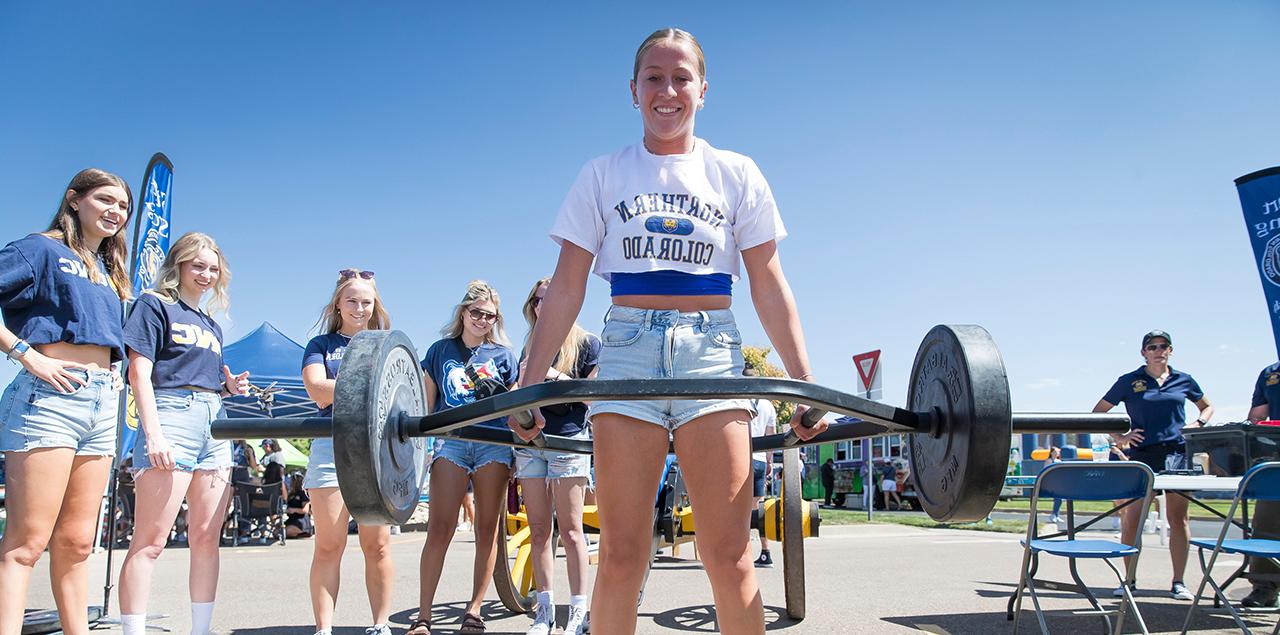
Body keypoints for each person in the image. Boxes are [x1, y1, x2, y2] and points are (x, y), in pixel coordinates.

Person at [513, 28, 828, 634]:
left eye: (681, 77)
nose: (668, 90)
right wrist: (530, 388)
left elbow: (767, 284)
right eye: (654, 78)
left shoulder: (736, 172)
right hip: (628, 354)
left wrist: (803, 385)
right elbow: (568, 286)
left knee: (729, 555)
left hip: (711, 355)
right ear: (633, 92)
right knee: (623, 557)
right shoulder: (602, 175)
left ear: (703, 90)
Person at [0, 169, 133, 635]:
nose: (116, 211)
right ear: (75, 201)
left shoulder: (111, 272)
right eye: (106, 200)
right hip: (49, 396)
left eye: (123, 206)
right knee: (26, 544)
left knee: (77, 543)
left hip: (102, 402)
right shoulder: (40, 248)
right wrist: (26, 356)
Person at [116, 232, 249, 635]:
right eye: (198, 265)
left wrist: (228, 388)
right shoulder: (154, 304)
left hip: (214, 420)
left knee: (207, 539)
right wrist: (152, 433)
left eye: (213, 267)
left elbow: (196, 374)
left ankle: (201, 630)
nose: (206, 274)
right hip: (169, 416)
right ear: (178, 265)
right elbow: (139, 371)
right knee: (150, 542)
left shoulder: (212, 325)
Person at [412, 281, 518, 635]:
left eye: (490, 315)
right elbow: (427, 405)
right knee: (439, 528)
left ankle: (474, 610)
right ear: (463, 312)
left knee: (487, 529)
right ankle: (423, 616)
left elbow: (516, 407)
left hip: (494, 442)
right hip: (452, 442)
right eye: (476, 312)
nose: (483, 320)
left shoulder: (503, 355)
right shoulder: (440, 350)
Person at [301, 269, 396, 635]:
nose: (359, 308)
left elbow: (401, 390)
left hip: (376, 450)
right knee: (328, 545)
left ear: (375, 306)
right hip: (330, 447)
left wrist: (343, 387)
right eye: (352, 300)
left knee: (378, 545)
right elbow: (316, 390)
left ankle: (380, 625)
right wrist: (368, 384)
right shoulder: (321, 346)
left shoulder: (387, 344)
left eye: (366, 301)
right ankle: (324, 629)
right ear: (338, 304)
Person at [1094, 329, 1214, 601]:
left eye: (1163, 346)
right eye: (1152, 347)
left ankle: (1179, 582)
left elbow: (1207, 407)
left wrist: (1198, 424)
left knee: (1177, 518)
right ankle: (1129, 580)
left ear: (1170, 350)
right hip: (1141, 454)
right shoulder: (1129, 381)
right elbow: (1098, 413)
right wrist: (1121, 437)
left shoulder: (1184, 380)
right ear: (1143, 352)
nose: (1158, 350)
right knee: (1132, 518)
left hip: (1176, 454)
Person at [512, 277, 599, 635]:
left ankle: (578, 610)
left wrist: (552, 374)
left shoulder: (588, 343)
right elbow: (519, 390)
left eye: (548, 299)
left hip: (568, 440)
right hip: (531, 442)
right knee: (538, 530)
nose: (541, 307)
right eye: (536, 301)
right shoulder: (529, 343)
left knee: (573, 529)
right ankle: (544, 609)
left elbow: (593, 395)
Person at [1242, 362, 1280, 607]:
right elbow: (1258, 414)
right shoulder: (1270, 373)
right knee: (1267, 521)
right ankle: (1265, 587)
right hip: (1276, 456)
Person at [741, 365, 776, 568]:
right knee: (759, 510)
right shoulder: (768, 405)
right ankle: (765, 552)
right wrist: (770, 461)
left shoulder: (738, 399)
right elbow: (771, 435)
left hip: (742, 456)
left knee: (739, 510)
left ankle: (743, 555)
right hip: (761, 459)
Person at [285, 471, 313, 539]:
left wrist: (294, 510)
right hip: (292, 519)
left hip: (301, 520)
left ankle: (303, 532)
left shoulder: (303, 494)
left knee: (286, 532)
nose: (291, 483)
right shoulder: (291, 494)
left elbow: (305, 510)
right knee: (276, 532)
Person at [1047, 446, 1064, 524]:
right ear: (1051, 453)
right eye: (1055, 452)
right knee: (1057, 498)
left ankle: (1056, 515)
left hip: (1059, 482)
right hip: (1052, 483)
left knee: (1060, 499)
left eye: (1058, 452)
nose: (1057, 453)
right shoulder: (1049, 461)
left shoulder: (1059, 461)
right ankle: (1053, 514)